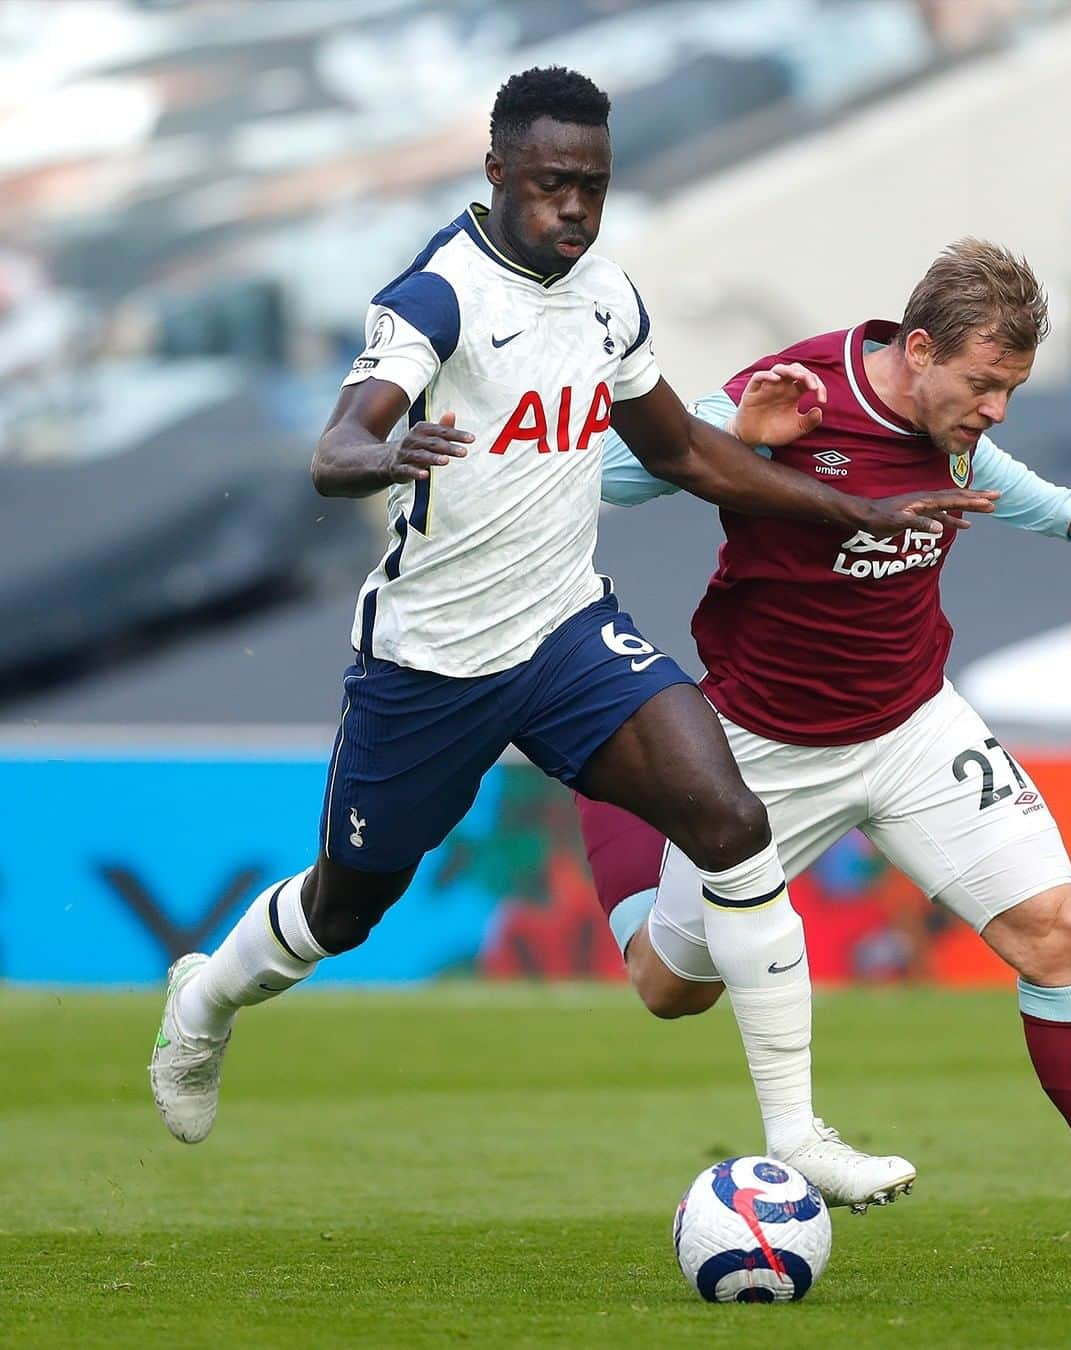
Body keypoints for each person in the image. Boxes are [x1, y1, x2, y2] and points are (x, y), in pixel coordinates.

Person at [150, 69, 990, 1203]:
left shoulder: (605, 296)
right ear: (497, 172)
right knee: (345, 907)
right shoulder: (437, 297)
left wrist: (860, 509)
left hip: (567, 637)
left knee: (733, 822)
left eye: (592, 186)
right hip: (433, 664)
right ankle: (203, 1004)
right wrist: (379, 456)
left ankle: (796, 1133)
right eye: (552, 185)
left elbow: (688, 453)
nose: (575, 210)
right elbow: (337, 441)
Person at [578, 238, 1071, 1159]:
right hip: (767, 745)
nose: (996, 409)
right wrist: (740, 440)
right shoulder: (793, 390)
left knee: (1060, 938)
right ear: (920, 349)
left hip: (917, 728)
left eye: (1010, 389)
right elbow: (615, 477)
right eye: (983, 384)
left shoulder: (957, 427)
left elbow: (990, 483)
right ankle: (607, 788)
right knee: (670, 989)